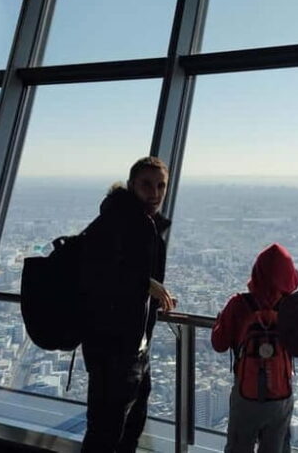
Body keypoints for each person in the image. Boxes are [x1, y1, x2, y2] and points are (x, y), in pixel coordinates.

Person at [79, 156, 177, 453]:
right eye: (147, 184)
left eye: (161, 186)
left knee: (128, 426)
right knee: (106, 431)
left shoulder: (143, 224)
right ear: (132, 184)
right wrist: (145, 284)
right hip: (113, 347)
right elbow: (97, 273)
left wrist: (152, 294)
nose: (155, 193)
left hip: (133, 345)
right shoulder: (117, 222)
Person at [211, 243, 298, 453]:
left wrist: (219, 323)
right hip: (281, 394)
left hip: (246, 394)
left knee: (238, 447)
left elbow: (219, 344)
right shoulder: (292, 307)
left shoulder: (239, 304)